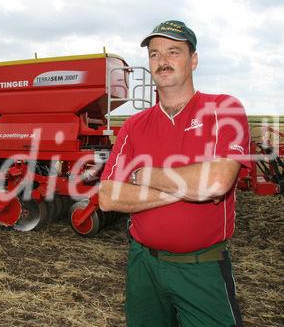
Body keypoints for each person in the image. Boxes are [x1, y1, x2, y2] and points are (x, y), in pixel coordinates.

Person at [99, 20, 250, 326]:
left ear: (193, 59)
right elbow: (107, 197)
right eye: (154, 54)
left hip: (201, 268)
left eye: (173, 52)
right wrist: (189, 188)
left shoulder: (224, 110)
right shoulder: (134, 125)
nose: (162, 61)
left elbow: (217, 182)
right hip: (143, 266)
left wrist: (141, 175)